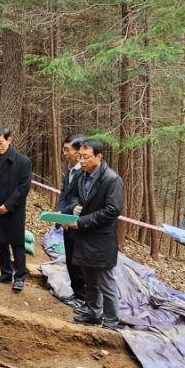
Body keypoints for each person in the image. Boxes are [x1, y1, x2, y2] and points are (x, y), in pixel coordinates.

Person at [66, 138, 123, 330]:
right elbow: (73, 196)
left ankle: (111, 321)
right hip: (84, 237)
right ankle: (92, 312)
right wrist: (74, 207)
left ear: (99, 156)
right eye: (80, 156)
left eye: (86, 157)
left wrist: (82, 222)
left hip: (101, 239)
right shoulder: (82, 175)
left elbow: (112, 210)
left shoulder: (112, 180)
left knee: (106, 282)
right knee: (88, 278)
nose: (82, 161)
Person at [0, 126, 32, 292]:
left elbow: (23, 188)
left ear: (9, 140)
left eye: (0, 142)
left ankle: (19, 277)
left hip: (14, 210)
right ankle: (5, 273)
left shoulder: (23, 162)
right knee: (0, 242)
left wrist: (7, 206)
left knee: (17, 244)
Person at [56, 133, 87, 306]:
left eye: (68, 150)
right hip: (66, 222)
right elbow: (64, 194)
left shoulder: (84, 173)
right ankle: (77, 293)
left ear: (78, 150)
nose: (65, 153)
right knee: (70, 259)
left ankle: (83, 296)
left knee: (78, 261)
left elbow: (80, 201)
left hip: (78, 224)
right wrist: (60, 214)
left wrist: (68, 215)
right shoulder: (69, 170)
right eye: (64, 149)